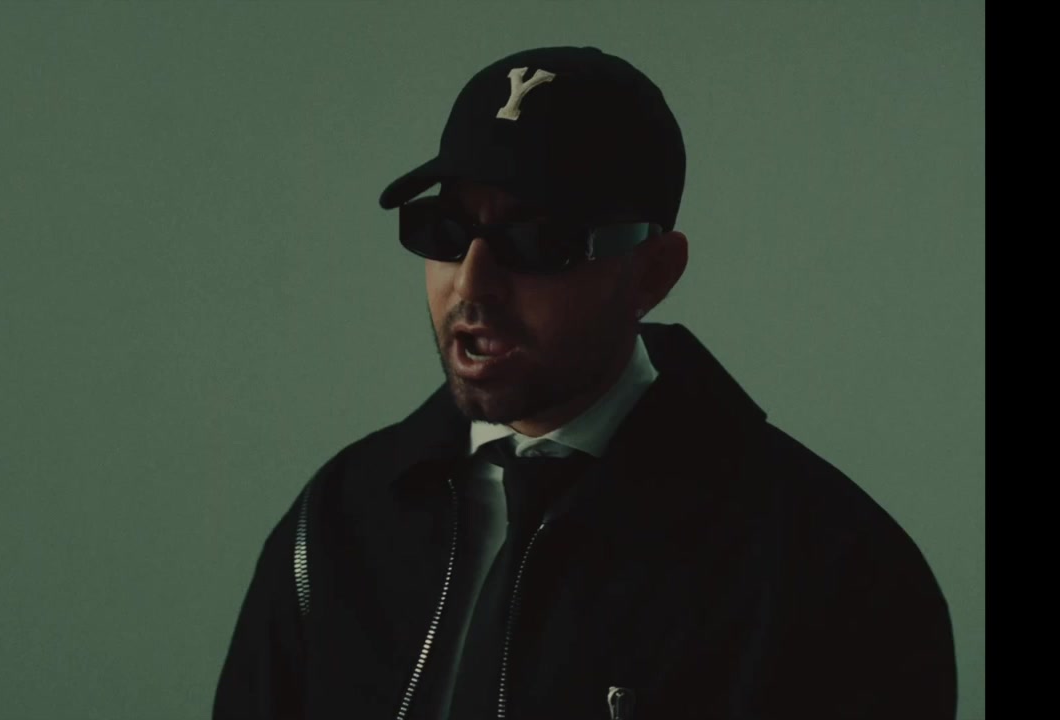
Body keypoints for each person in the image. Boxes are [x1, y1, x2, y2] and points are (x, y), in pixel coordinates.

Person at [212, 46, 957, 720]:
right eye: (443, 230)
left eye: (537, 240)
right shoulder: (337, 522)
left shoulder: (829, 570)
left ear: (653, 273)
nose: (472, 282)